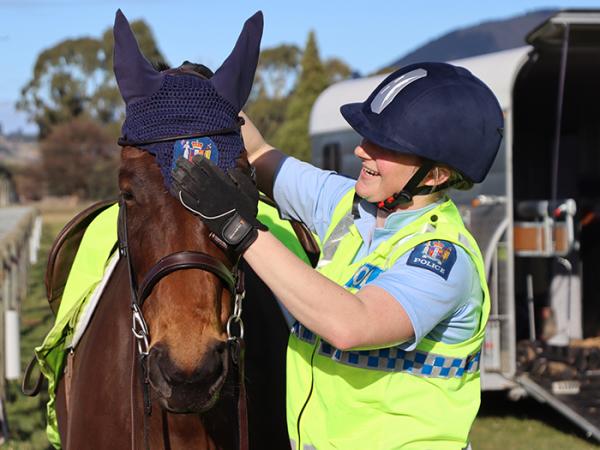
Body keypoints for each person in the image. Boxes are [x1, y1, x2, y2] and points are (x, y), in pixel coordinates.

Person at [172, 62, 503, 449]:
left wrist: (238, 229)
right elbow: (260, 152)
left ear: (435, 176)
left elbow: (350, 325)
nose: (362, 149)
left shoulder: (443, 257)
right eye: (367, 136)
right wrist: (205, 94)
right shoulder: (352, 205)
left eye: (385, 145)